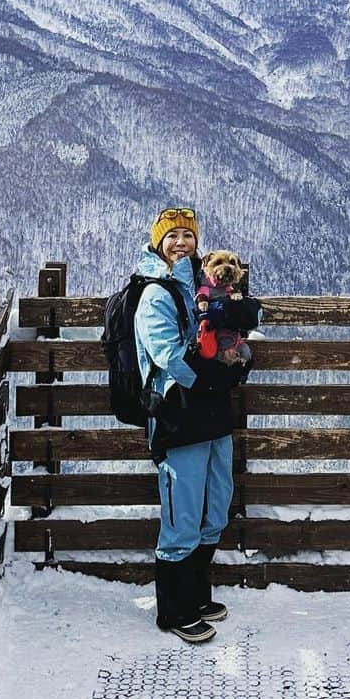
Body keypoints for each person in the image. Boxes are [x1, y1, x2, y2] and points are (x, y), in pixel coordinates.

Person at [133, 207, 250, 644]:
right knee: (182, 513)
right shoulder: (155, 294)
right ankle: (175, 610)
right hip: (178, 415)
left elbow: (225, 337)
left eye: (188, 234)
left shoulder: (200, 286)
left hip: (215, 414)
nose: (181, 241)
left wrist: (238, 362)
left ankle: (198, 595)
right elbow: (166, 354)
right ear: (159, 243)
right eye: (172, 236)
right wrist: (209, 377)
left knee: (216, 503)